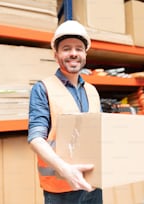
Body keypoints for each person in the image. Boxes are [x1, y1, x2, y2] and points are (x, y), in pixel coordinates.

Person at [28, 20, 103, 204]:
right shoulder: (43, 88)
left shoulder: (92, 91)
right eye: (66, 48)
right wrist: (64, 169)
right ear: (56, 54)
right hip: (60, 188)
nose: (73, 54)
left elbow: (100, 134)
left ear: (85, 54)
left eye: (79, 48)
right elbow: (36, 138)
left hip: (93, 183)